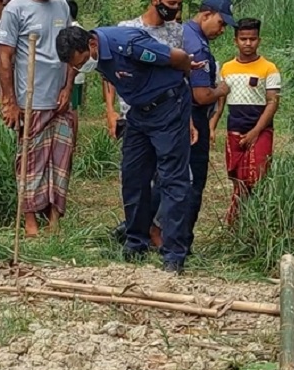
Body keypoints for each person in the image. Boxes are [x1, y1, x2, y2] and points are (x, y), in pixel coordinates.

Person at [55, 25, 202, 274]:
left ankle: (174, 254)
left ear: (91, 45)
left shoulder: (128, 44)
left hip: (168, 107)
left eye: (80, 61)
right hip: (138, 114)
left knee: (172, 179)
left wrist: (187, 72)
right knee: (133, 177)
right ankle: (136, 242)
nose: (79, 68)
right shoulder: (95, 54)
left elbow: (175, 57)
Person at [105, 0, 188, 247]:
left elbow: (181, 73)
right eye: (172, 4)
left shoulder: (176, 32)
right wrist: (111, 111)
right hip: (133, 115)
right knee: (136, 178)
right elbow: (111, 74)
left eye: (179, 4)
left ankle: (156, 231)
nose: (175, 10)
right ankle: (136, 235)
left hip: (168, 113)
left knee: (171, 178)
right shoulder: (128, 29)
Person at [0, 0, 75, 237]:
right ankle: (30, 222)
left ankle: (54, 220)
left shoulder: (63, 6)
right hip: (30, 99)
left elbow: (70, 50)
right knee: (30, 162)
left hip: (60, 101)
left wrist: (68, 87)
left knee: (60, 160)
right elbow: (5, 58)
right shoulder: (15, 9)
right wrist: (10, 102)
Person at [180, 0, 234, 251]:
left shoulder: (182, 33)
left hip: (175, 117)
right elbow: (201, 95)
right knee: (193, 181)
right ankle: (182, 240)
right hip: (193, 118)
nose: (222, 30)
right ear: (206, 14)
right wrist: (220, 91)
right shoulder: (197, 46)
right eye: (221, 23)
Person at [214, 18, 281, 224]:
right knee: (238, 180)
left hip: (261, 131)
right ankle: (239, 223)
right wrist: (212, 124)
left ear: (259, 40)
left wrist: (255, 132)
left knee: (257, 178)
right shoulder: (226, 68)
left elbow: (272, 103)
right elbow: (220, 100)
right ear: (236, 41)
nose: (248, 43)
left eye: (252, 39)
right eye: (243, 39)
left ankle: (254, 221)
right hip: (234, 130)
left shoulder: (269, 68)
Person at [65, 0, 86, 111]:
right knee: (73, 110)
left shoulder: (70, 32)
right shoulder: (80, 29)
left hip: (72, 78)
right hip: (78, 77)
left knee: (70, 110)